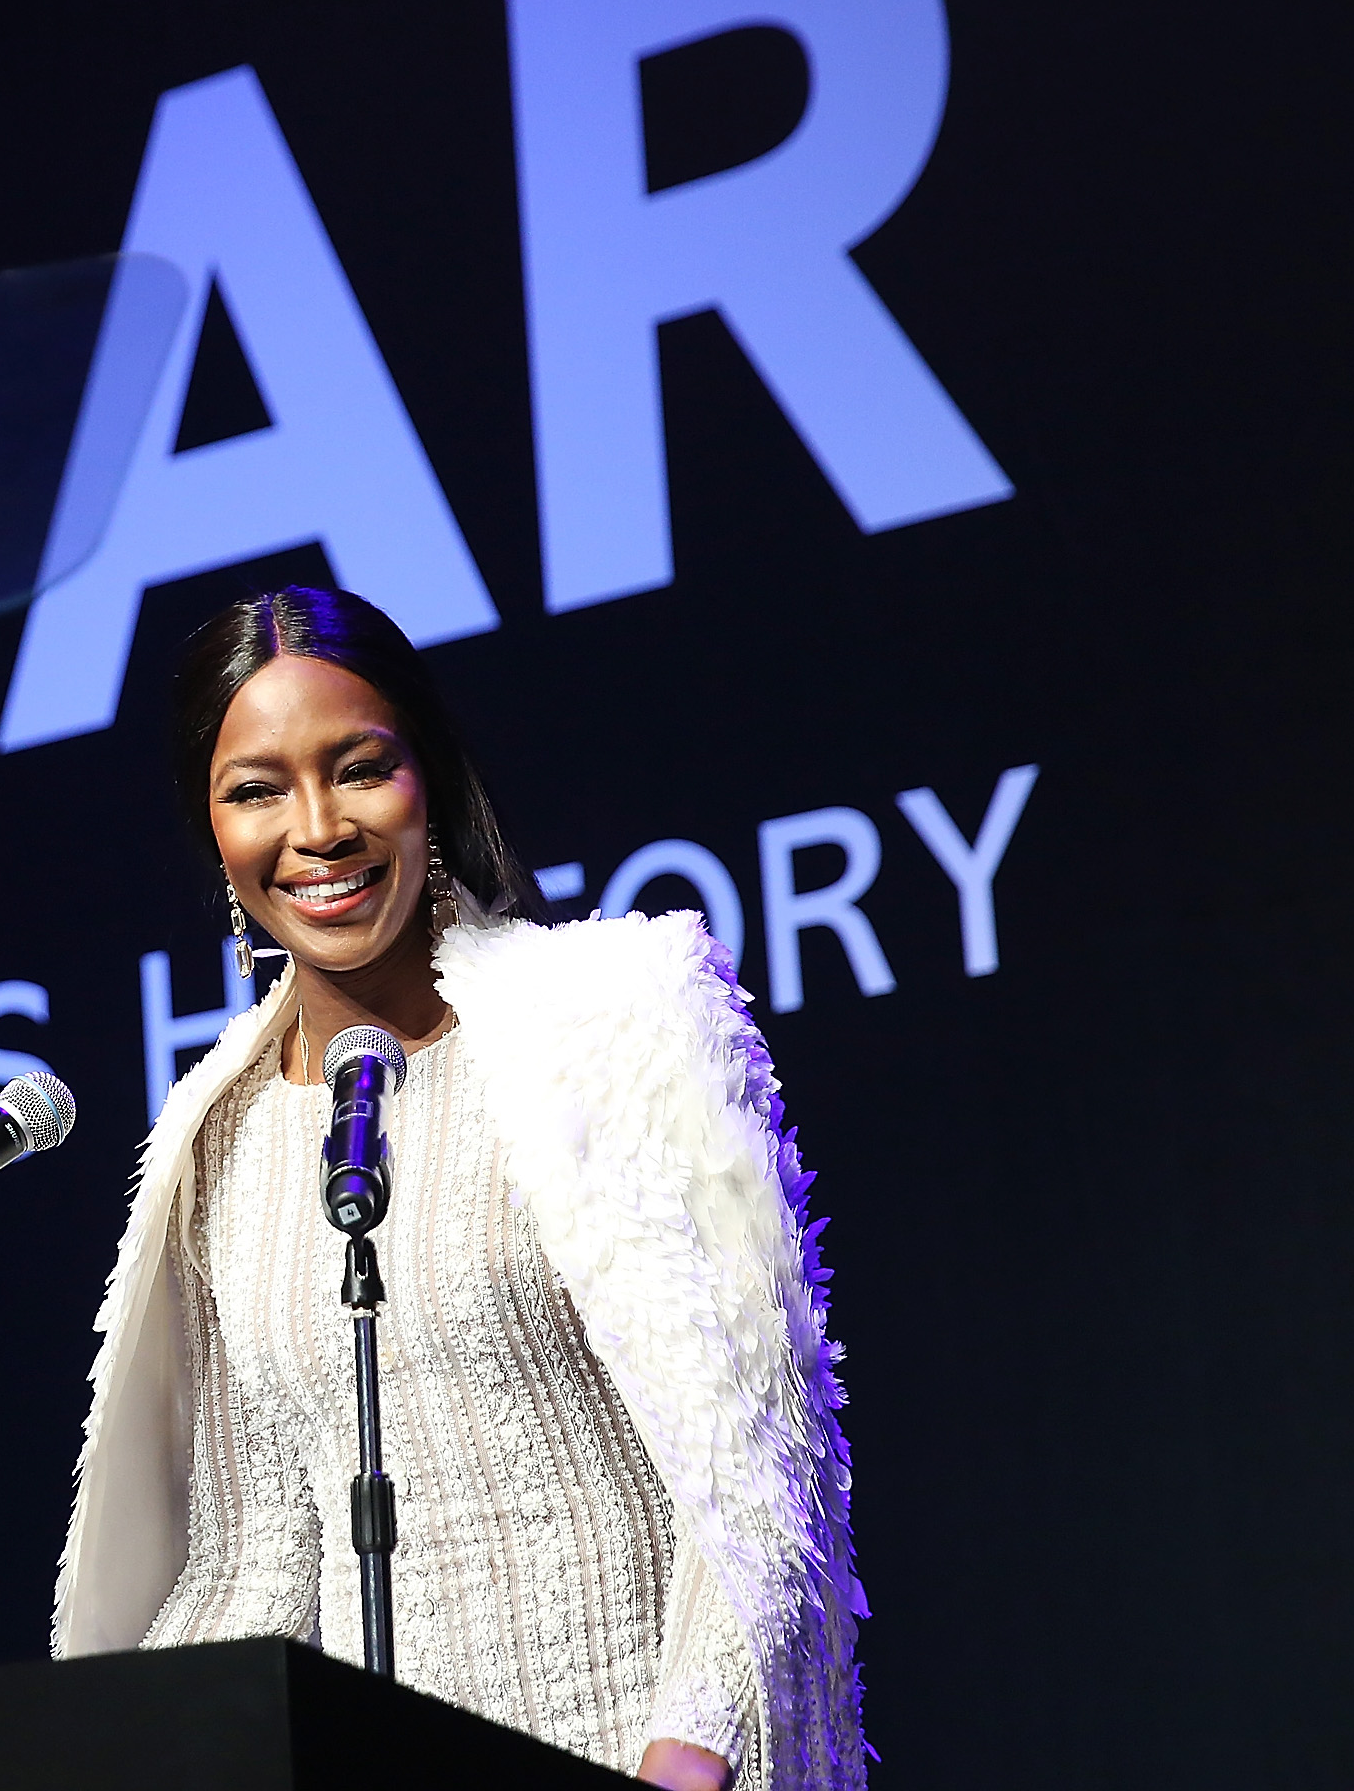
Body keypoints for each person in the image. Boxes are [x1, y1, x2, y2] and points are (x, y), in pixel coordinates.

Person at [50, 587, 866, 1788]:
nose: (317, 826)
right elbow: (255, 1548)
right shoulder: (218, 1138)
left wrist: (687, 1758)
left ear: (428, 778)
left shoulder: (618, 1015)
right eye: (257, 788)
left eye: (360, 767)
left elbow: (758, 1461)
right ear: (211, 830)